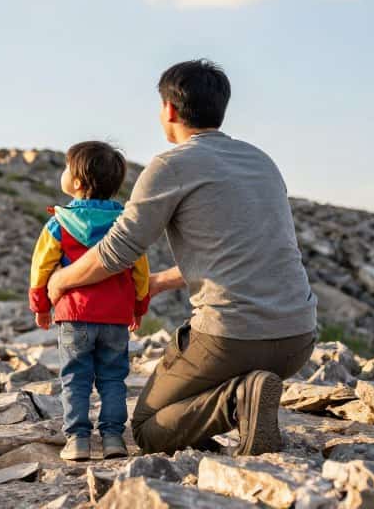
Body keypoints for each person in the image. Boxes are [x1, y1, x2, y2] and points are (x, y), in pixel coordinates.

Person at [47, 60, 317, 456]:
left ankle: (238, 397)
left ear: (170, 110)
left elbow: (118, 250)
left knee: (147, 429)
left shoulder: (170, 165)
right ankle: (248, 391)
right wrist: (157, 282)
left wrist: (61, 281)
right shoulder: (261, 161)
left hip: (231, 337)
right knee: (186, 393)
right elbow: (250, 250)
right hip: (298, 337)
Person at [29, 141, 150, 461]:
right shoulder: (125, 223)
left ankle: (78, 440)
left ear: (78, 183)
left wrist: (41, 306)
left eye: (67, 168)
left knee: (75, 378)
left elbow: (40, 268)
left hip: (75, 316)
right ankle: (113, 439)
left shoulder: (59, 223)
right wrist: (139, 306)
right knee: (113, 378)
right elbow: (140, 269)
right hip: (115, 317)